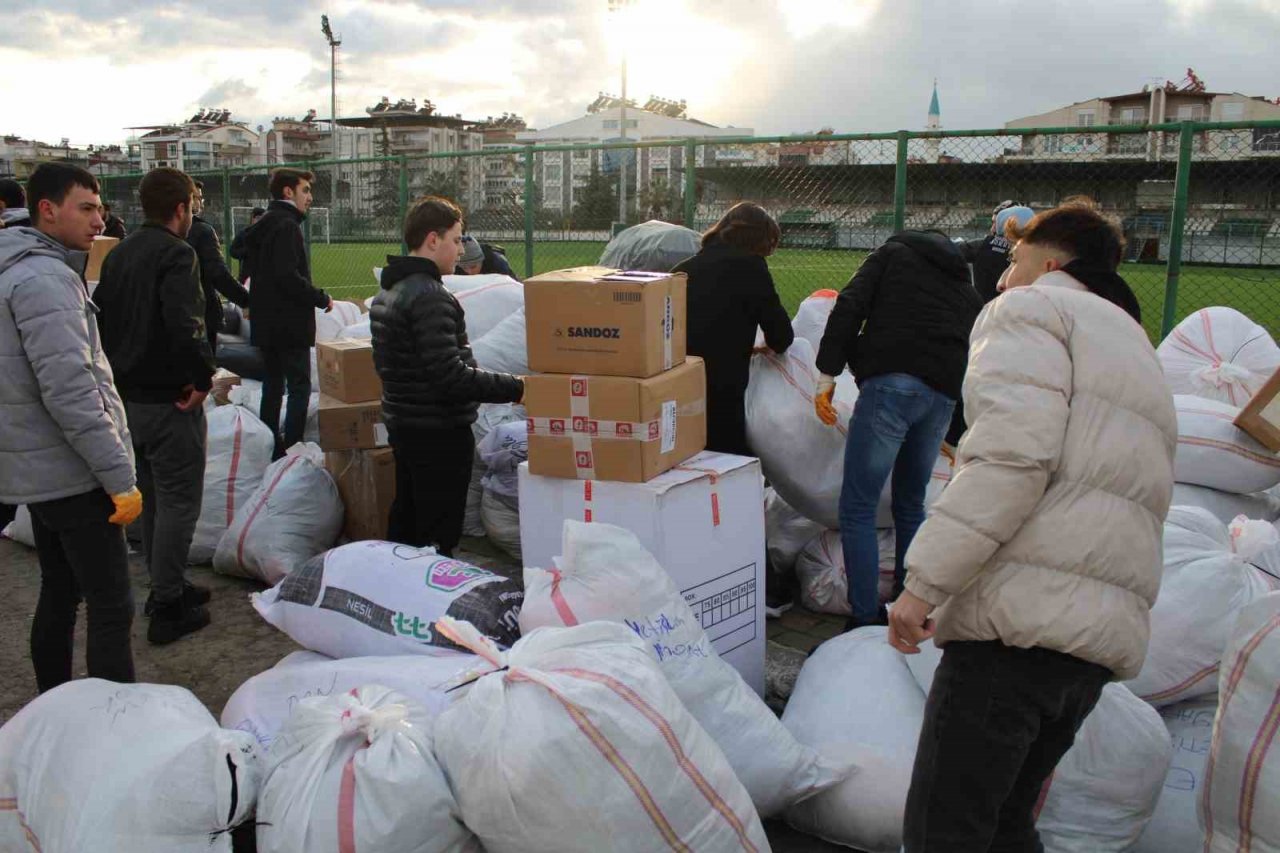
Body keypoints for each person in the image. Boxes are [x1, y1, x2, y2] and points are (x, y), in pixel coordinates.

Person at [889, 206, 1174, 853]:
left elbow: (1010, 461)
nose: (999, 282)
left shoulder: (1033, 312)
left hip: (1017, 625)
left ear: (1051, 264)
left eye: (1013, 263)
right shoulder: (1138, 347)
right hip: (1093, 641)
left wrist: (923, 585)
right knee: (1005, 826)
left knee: (947, 830)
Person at [0, 163, 141, 690]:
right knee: (111, 604)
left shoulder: (21, 268)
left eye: (100, 207)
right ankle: (112, 721)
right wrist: (117, 475)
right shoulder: (44, 278)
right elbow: (71, 390)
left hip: (42, 470)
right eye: (86, 207)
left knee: (59, 591)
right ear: (47, 210)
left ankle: (55, 708)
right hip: (73, 472)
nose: (98, 218)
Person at [814, 230, 982, 630]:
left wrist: (828, 372)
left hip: (891, 383)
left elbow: (849, 305)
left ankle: (864, 614)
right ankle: (908, 604)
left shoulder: (891, 256)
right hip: (941, 396)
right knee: (910, 504)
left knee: (858, 506)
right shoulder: (964, 286)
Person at [96, 166, 216, 644]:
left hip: (128, 399)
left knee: (151, 497)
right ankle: (167, 602)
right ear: (181, 208)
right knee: (179, 500)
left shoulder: (119, 253)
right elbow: (185, 325)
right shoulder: (176, 254)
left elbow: (103, 320)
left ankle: (166, 582)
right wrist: (203, 377)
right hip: (170, 399)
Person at [370, 196, 524, 556]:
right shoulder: (429, 296)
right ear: (433, 240)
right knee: (437, 534)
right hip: (437, 432)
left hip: (406, 423)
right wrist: (518, 388)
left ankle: (400, 593)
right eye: (456, 240)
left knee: (408, 520)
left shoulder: (389, 292)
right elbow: (450, 375)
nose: (461, 250)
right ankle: (430, 605)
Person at [672, 202, 793, 457]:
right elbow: (781, 336)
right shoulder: (751, 268)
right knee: (727, 456)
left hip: (677, 380)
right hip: (724, 384)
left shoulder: (683, 269)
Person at [237, 169, 332, 457]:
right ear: (288, 192)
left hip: (266, 322)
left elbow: (237, 247)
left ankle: (269, 443)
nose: (310, 198)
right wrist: (320, 298)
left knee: (273, 385)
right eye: (305, 190)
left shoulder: (264, 223)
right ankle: (292, 447)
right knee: (299, 386)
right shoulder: (287, 226)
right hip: (290, 323)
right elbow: (288, 276)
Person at [187, 180, 250, 351]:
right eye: (197, 198)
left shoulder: (138, 241)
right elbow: (218, 273)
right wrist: (247, 301)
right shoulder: (201, 231)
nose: (200, 202)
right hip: (200, 317)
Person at [959, 201, 1035, 304]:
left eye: (995, 223)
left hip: (983, 310)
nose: (992, 228)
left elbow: (949, 250)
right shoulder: (1037, 252)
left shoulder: (981, 245)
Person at [229, 206, 265, 284]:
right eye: (258, 218)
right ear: (252, 219)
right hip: (246, 274)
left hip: (264, 275)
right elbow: (232, 251)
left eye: (262, 219)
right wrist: (246, 251)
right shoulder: (243, 233)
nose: (260, 221)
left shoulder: (268, 234)